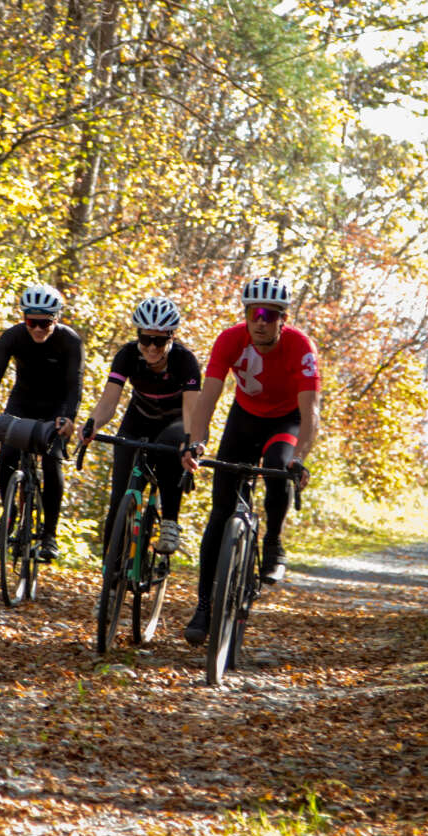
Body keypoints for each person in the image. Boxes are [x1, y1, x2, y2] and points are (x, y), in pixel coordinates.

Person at [180, 275, 320, 647]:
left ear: (282, 319)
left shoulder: (299, 347)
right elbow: (208, 398)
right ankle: (204, 606)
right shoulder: (229, 340)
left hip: (284, 420)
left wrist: (301, 458)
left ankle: (273, 541)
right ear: (245, 315)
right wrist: (196, 443)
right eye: (254, 313)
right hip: (243, 419)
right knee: (220, 510)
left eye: (270, 315)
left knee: (278, 466)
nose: (261, 320)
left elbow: (311, 413)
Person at [80, 296, 202, 557]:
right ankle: (110, 575)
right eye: (145, 339)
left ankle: (169, 519)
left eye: (159, 341)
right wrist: (92, 425)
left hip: (176, 420)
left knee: (172, 445)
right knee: (119, 497)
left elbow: (193, 411)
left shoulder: (185, 361)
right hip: (138, 418)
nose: (152, 348)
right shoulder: (127, 355)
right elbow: (108, 402)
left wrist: (191, 443)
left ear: (171, 337)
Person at [0, 283, 84, 562]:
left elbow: (74, 385)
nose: (37, 330)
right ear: (24, 319)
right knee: (7, 455)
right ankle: (9, 514)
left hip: (56, 407)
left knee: (51, 460)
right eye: (31, 322)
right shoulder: (12, 337)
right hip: (22, 403)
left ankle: (50, 536)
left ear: (56, 319)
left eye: (44, 323)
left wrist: (68, 418)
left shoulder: (70, 341)